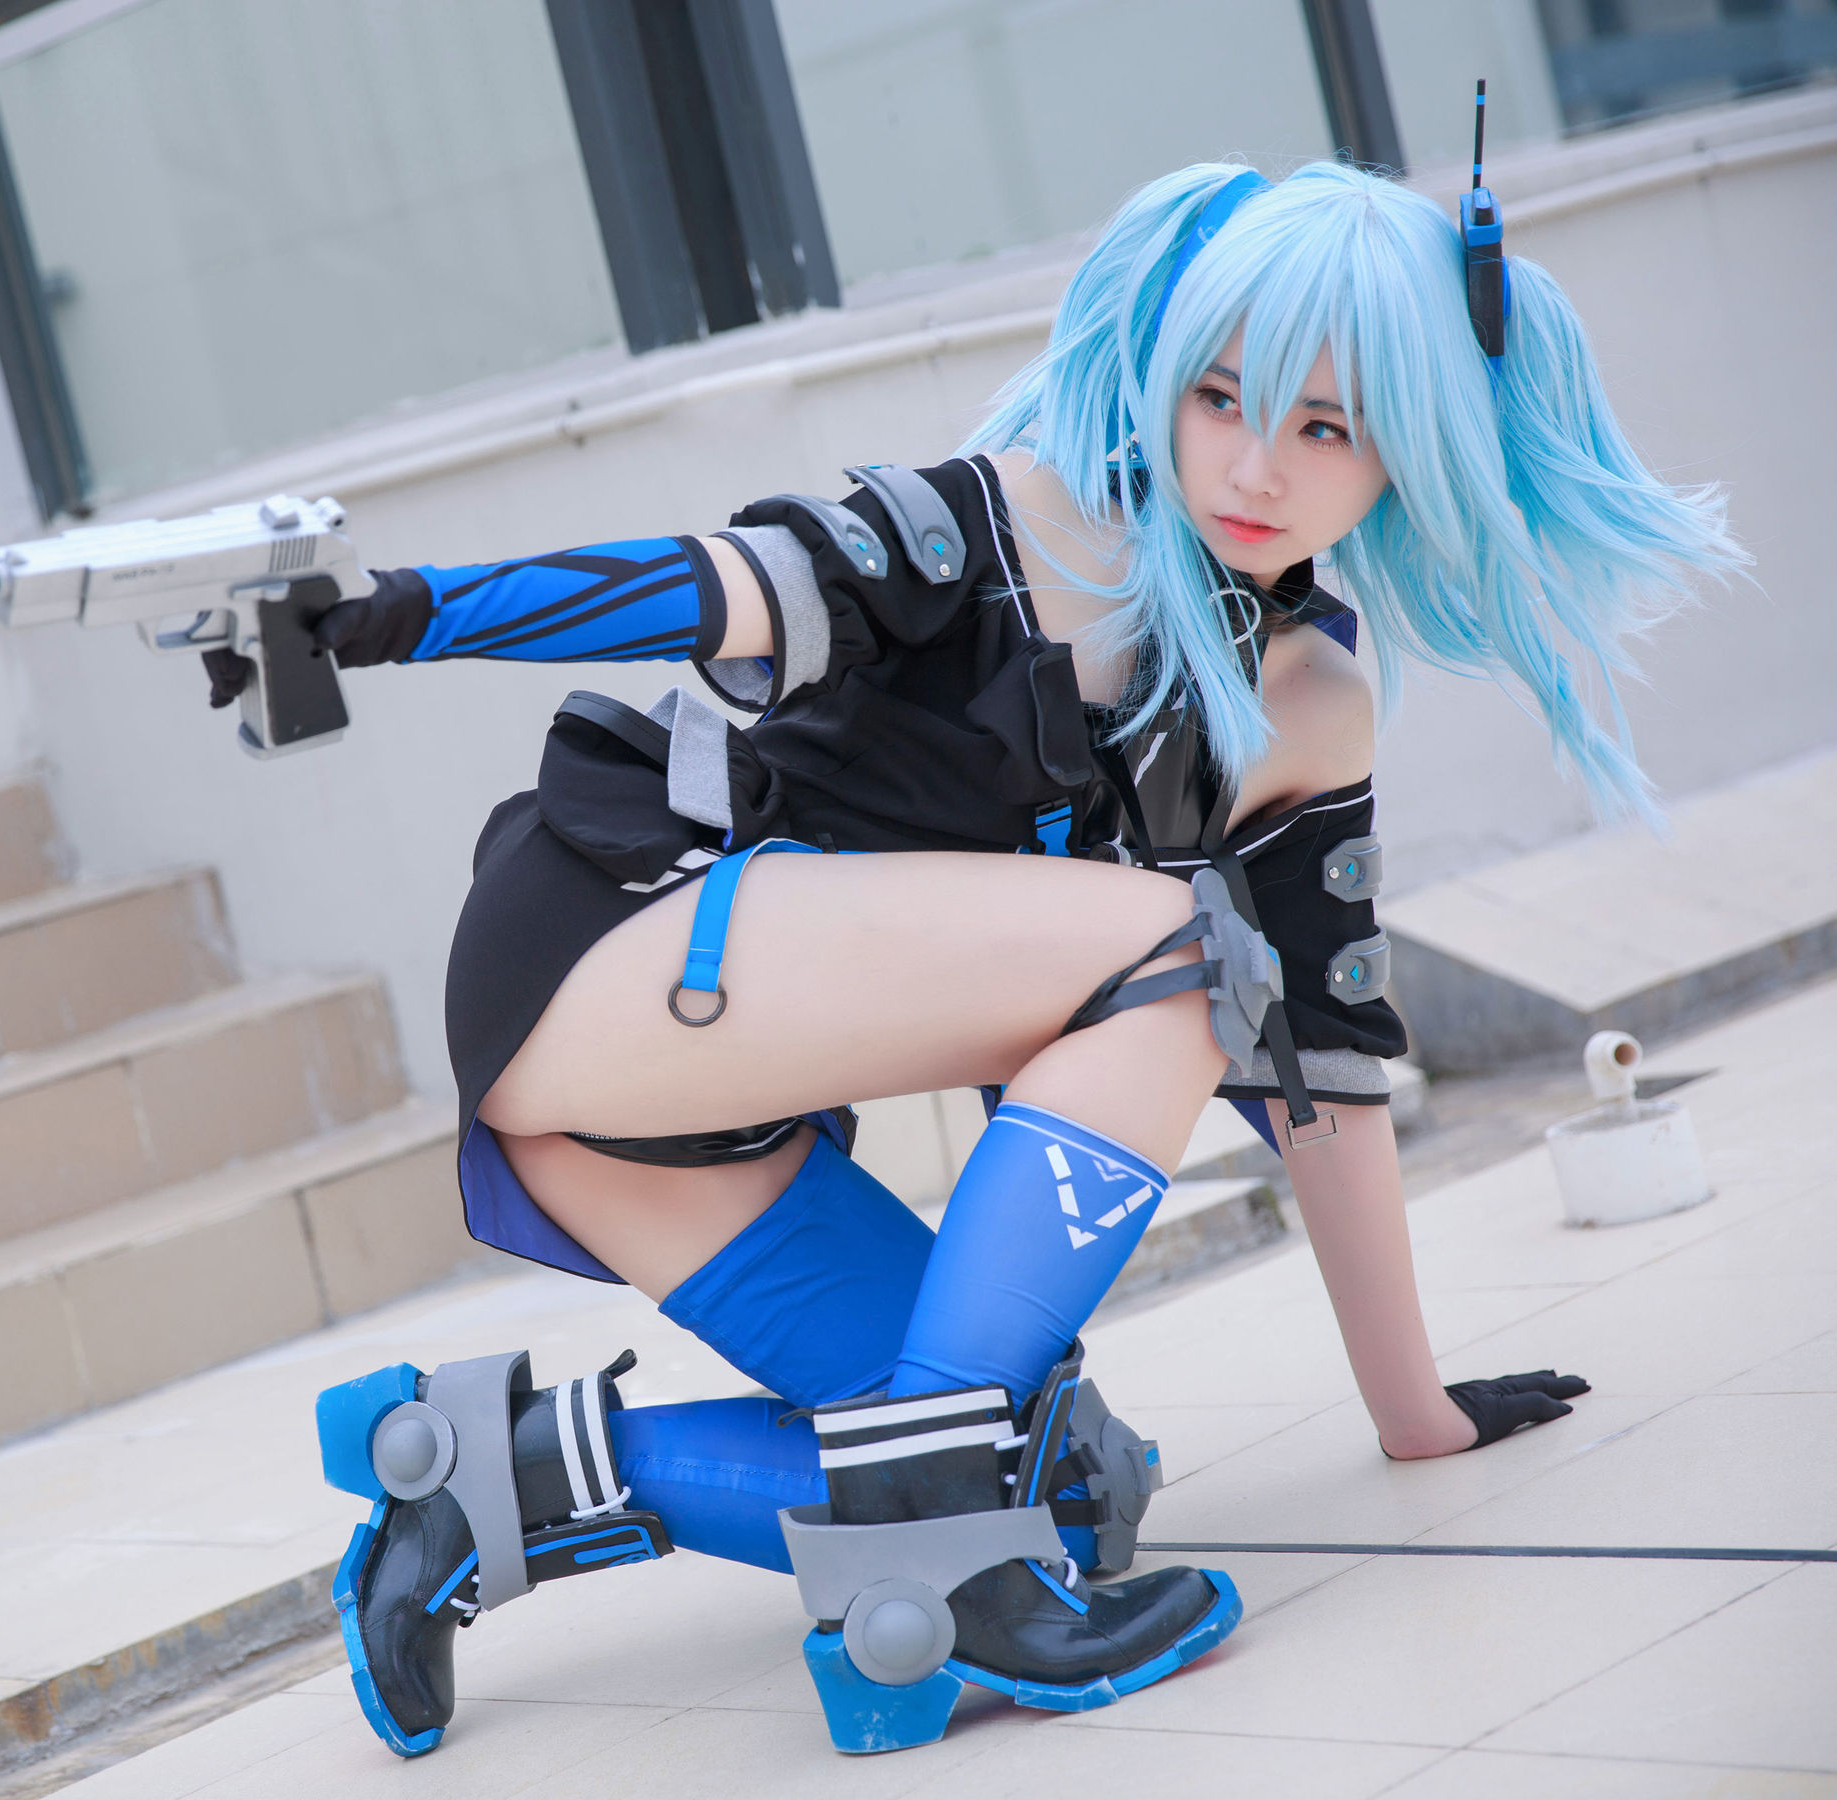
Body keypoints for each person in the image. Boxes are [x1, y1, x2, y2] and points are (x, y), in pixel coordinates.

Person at [229, 157, 1742, 1759]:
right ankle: (945, 1575)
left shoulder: (1308, 697)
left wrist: (1412, 1409)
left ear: (1408, 449)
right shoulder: (1007, 526)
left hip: (681, 1126)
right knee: (1178, 950)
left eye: (1327, 428)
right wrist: (400, 612)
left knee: (1065, 1490)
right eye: (1220, 397)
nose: (1256, 467)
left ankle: (485, 1477)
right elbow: (710, 583)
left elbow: (1323, 1057)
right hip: (610, 949)